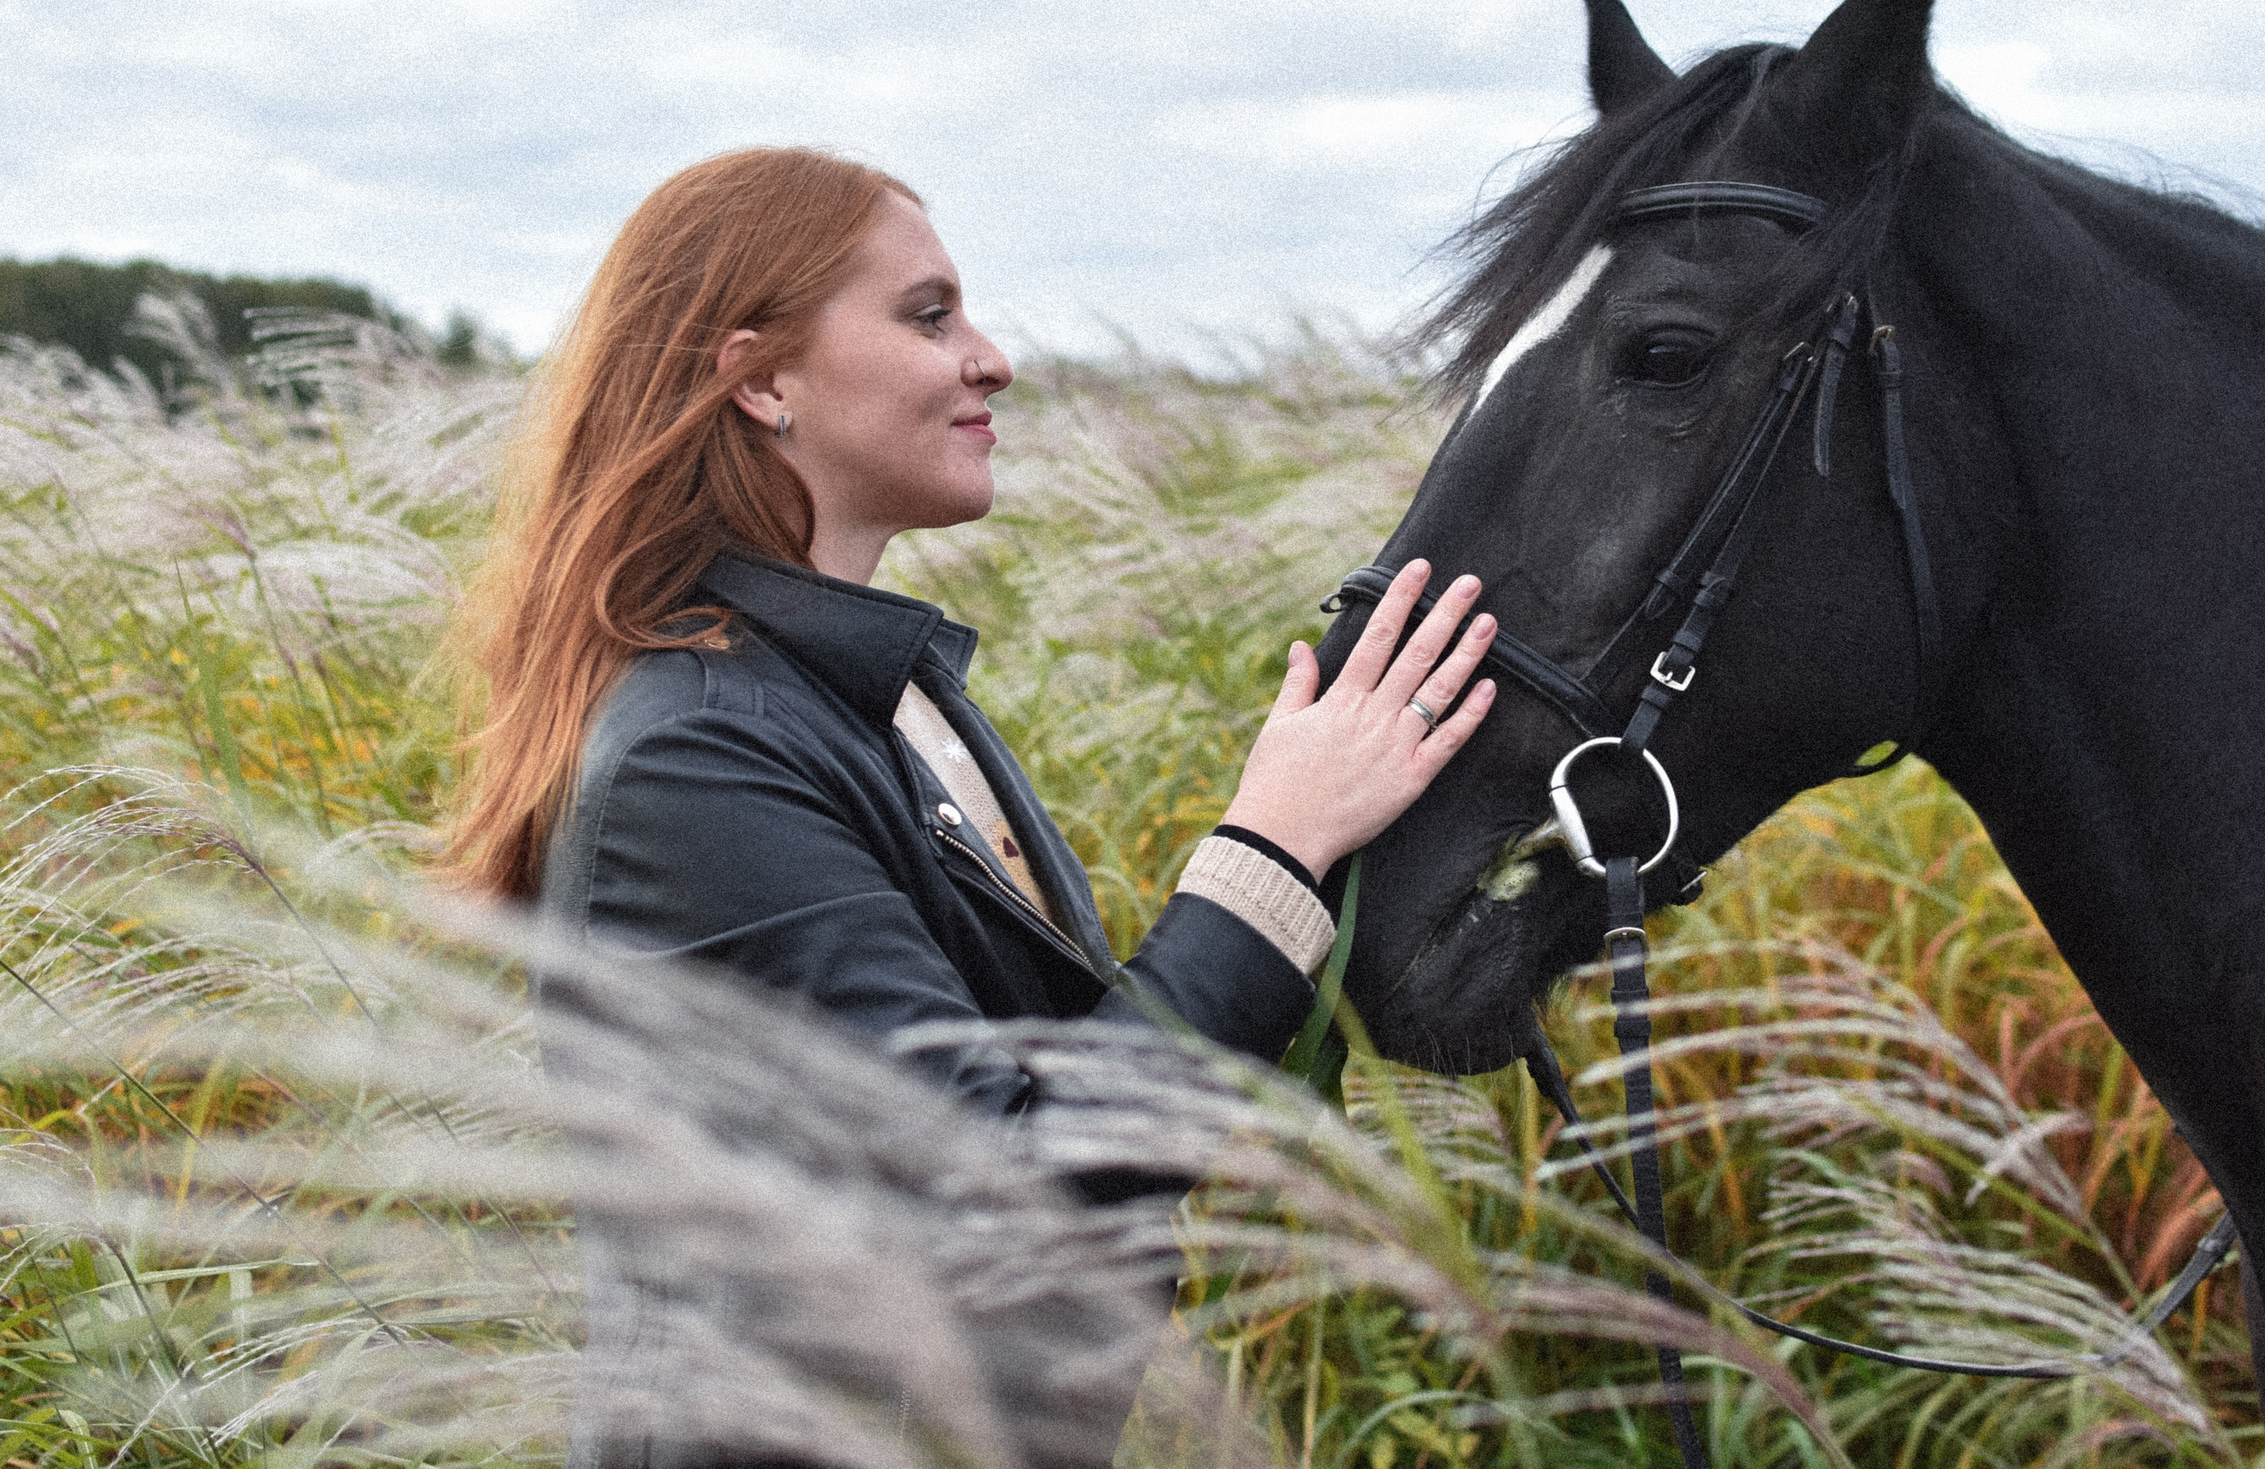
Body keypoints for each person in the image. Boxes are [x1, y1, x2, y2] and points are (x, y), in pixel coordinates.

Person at [438, 146, 1496, 1463]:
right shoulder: (700, 754)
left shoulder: (879, 692)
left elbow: (1058, 1071)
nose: (989, 359)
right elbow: (1012, 1207)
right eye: (928, 316)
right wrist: (1270, 845)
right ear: (761, 376)